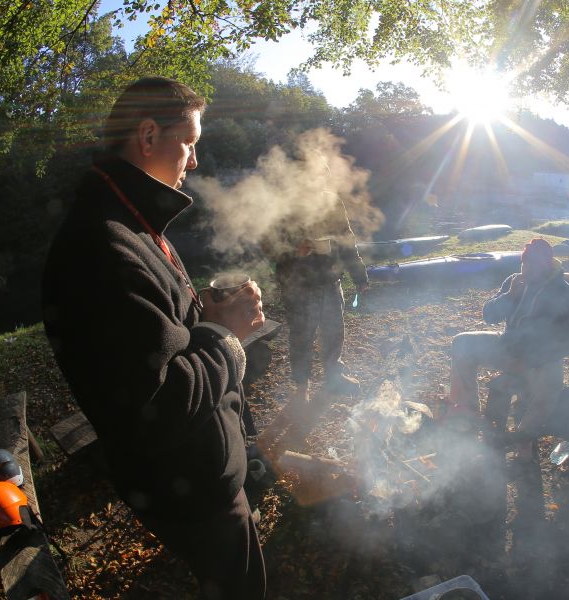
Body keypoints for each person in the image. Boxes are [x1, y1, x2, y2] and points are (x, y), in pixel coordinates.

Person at [42, 77, 266, 600]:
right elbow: (156, 403)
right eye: (189, 143)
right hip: (190, 488)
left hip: (196, 472)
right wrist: (228, 338)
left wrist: (203, 318)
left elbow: (154, 338)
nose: (194, 163)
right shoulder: (101, 246)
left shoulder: (132, 220)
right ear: (148, 136)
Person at [445, 237, 569, 438]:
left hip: (541, 359)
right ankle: (468, 411)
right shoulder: (514, 282)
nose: (527, 270)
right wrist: (509, 296)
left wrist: (528, 361)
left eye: (533, 265)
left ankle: (523, 437)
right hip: (506, 345)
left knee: (550, 390)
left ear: (546, 265)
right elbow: (489, 316)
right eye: (524, 264)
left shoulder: (563, 294)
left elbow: (565, 344)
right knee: (462, 343)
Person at [270, 197, 369, 404]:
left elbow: (347, 242)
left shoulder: (332, 203)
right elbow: (270, 246)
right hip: (298, 286)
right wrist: (295, 252)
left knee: (334, 332)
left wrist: (359, 275)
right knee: (301, 337)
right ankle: (301, 387)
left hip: (331, 283)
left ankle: (334, 376)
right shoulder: (285, 202)